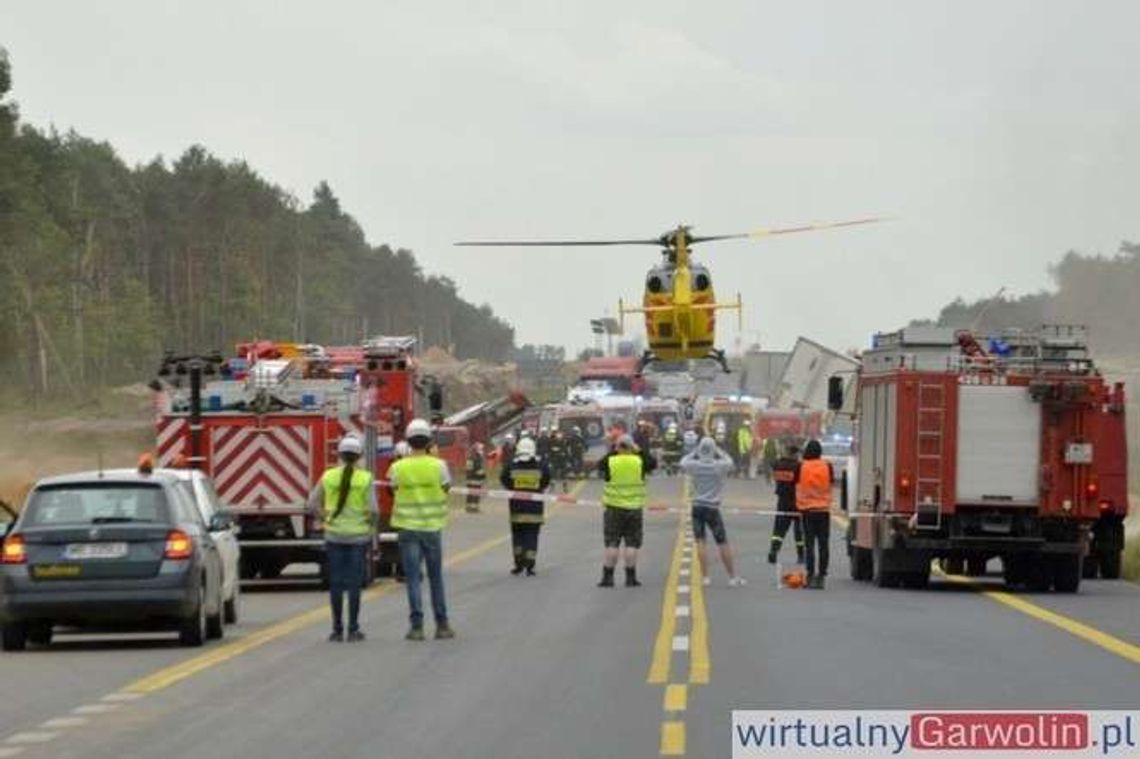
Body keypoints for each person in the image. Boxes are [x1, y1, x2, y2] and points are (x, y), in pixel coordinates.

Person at [307, 435, 377, 642]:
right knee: (354, 584)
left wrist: (325, 517)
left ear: (339, 455)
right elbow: (373, 510)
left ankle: (337, 629)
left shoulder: (328, 477)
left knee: (336, 584)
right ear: (359, 456)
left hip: (334, 536)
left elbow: (312, 503)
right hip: (357, 537)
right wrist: (370, 530)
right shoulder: (365, 478)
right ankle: (353, 629)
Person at [389, 418, 455, 640]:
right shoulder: (439, 465)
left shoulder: (397, 467)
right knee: (436, 577)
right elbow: (446, 488)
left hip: (407, 529)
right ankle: (442, 625)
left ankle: (417, 627)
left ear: (408, 441)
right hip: (432, 527)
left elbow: (392, 490)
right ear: (429, 441)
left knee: (414, 578)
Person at [680, 437, 745, 586]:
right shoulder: (719, 466)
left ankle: (705, 577)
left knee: (700, 541)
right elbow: (730, 461)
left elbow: (683, 461)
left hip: (697, 506)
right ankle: (732, 577)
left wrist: (695, 452)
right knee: (722, 542)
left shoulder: (694, 465)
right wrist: (718, 450)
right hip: (713, 508)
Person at [597, 434, 657, 587]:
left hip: (613, 508)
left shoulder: (611, 461)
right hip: (634, 509)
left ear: (618, 447)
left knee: (612, 543)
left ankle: (608, 578)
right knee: (631, 544)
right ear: (632, 447)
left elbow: (599, 464)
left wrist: (614, 450)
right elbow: (653, 463)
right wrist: (639, 451)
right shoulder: (639, 461)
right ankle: (630, 578)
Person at [500, 437, 552, 575]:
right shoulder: (540, 465)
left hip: (516, 508)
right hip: (534, 509)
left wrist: (513, 489)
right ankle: (530, 565)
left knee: (517, 536)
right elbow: (547, 478)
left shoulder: (512, 464)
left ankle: (518, 563)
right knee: (532, 536)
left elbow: (504, 478)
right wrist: (538, 489)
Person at [796, 439, 834, 589]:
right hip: (823, 510)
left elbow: (795, 484)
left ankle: (810, 575)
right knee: (823, 545)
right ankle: (822, 576)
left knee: (809, 545)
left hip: (807, 511)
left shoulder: (801, 467)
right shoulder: (827, 466)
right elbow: (830, 483)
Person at [767, 442, 804, 564]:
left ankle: (773, 551)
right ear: (795, 454)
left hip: (782, 502)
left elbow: (773, 465)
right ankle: (801, 555)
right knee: (799, 531)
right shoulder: (798, 467)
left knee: (778, 530)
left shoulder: (777, 464)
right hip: (797, 502)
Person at [465, 443, 487, 514]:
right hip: (476, 479)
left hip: (469, 479)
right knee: (476, 494)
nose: (482, 451)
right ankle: (474, 508)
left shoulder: (470, 457)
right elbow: (478, 469)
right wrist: (484, 475)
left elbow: (469, 469)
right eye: (481, 449)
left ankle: (468, 507)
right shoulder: (477, 458)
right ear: (477, 450)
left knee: (470, 493)